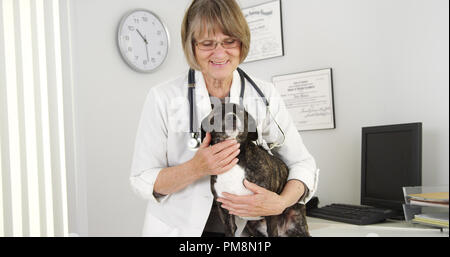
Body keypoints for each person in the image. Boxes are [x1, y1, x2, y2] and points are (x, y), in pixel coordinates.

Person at [130, 0, 319, 237]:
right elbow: (141, 178)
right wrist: (195, 168)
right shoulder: (163, 98)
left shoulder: (263, 95)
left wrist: (280, 203)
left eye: (229, 41)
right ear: (192, 47)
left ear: (242, 42)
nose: (219, 53)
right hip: (180, 231)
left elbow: (302, 164)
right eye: (207, 43)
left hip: (246, 230)